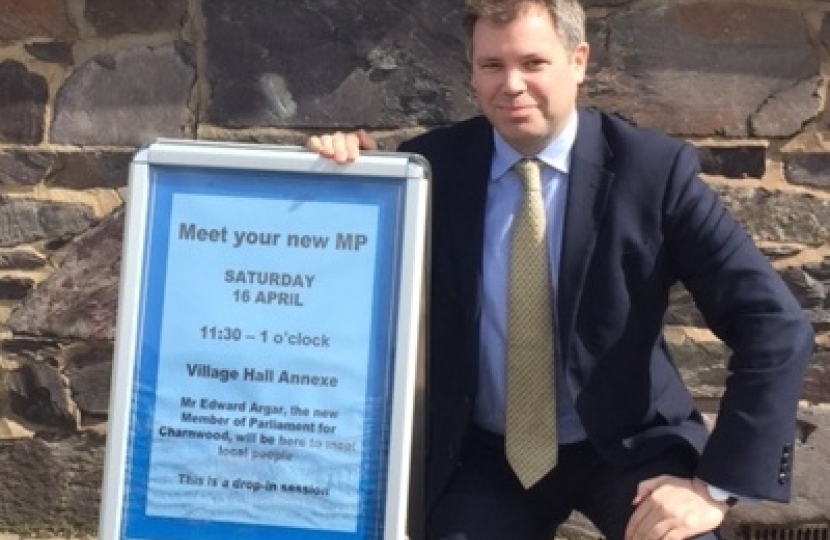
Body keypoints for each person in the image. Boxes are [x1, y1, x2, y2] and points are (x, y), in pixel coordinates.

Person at [307, 1, 814, 539]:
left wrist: (714, 489)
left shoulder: (653, 173)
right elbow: (343, 289)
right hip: (479, 453)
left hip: (625, 447)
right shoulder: (428, 170)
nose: (513, 85)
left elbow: (773, 325)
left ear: (578, 60)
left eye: (533, 63)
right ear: (472, 73)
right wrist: (346, 180)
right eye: (492, 66)